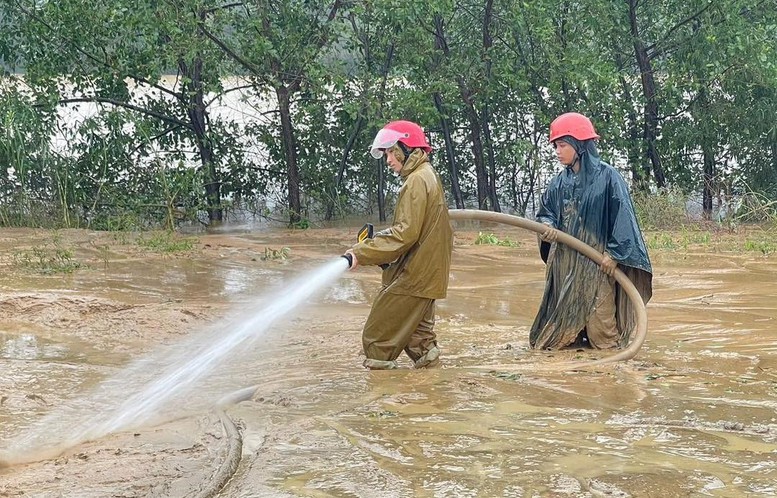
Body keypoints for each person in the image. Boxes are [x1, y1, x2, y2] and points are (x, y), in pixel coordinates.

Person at [530, 112, 653, 350]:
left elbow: (623, 218)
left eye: (562, 145)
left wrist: (614, 254)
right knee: (558, 338)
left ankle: (610, 372)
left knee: (602, 334)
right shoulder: (559, 182)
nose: (557, 151)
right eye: (556, 145)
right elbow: (545, 212)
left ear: (579, 145)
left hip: (598, 267)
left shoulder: (609, 178)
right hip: (565, 267)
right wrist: (546, 226)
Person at [343, 120, 453, 370]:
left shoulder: (416, 180)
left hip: (414, 276)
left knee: (378, 339)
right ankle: (434, 394)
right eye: (386, 153)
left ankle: (384, 402)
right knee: (419, 339)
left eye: (392, 152)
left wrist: (361, 253)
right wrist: (379, 246)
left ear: (408, 148)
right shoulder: (427, 175)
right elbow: (415, 230)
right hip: (428, 275)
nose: (388, 160)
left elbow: (405, 234)